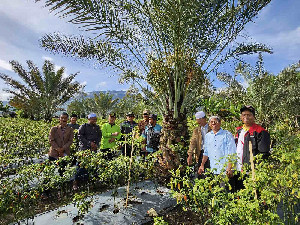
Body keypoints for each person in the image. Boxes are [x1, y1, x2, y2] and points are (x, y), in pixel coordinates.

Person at [233, 105, 271, 191]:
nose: (246, 117)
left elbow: (264, 154)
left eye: (249, 115)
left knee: (253, 195)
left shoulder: (260, 132)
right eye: (244, 115)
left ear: (254, 117)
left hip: (252, 171)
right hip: (238, 169)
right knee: (239, 195)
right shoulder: (239, 131)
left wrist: (258, 170)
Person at [74, 113, 101, 188]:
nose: (94, 120)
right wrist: (89, 143)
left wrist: (95, 145)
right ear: (89, 119)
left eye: (95, 119)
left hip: (93, 148)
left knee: (92, 165)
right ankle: (75, 182)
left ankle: (89, 181)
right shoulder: (83, 126)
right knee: (80, 165)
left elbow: (99, 136)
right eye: (92, 119)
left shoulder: (97, 127)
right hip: (84, 149)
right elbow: (80, 137)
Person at [187, 111, 210, 177]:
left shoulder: (211, 128)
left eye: (199, 120)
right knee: (200, 172)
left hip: (211, 152)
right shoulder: (196, 130)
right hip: (201, 152)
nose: (198, 122)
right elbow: (193, 142)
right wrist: (190, 154)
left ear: (204, 119)